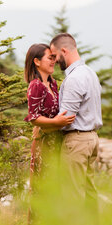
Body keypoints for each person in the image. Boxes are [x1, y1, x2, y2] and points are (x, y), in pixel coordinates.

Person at [49, 33, 103, 214]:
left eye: (56, 56)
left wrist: (42, 124)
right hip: (92, 138)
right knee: (89, 193)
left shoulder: (73, 79)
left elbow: (65, 119)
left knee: (72, 195)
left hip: (76, 141)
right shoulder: (90, 73)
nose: (55, 61)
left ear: (64, 51)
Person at [23, 43, 75, 181]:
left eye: (54, 58)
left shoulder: (52, 83)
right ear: (37, 61)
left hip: (57, 140)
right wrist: (55, 122)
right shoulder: (36, 85)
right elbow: (34, 118)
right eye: (50, 58)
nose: (54, 61)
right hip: (44, 143)